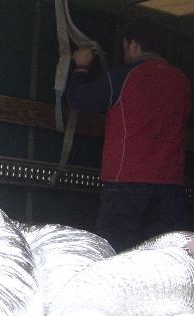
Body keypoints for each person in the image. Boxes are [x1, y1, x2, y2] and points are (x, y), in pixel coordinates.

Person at [66, 19, 192, 252]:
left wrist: (81, 67)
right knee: (168, 258)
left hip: (126, 186)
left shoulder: (123, 77)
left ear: (134, 45)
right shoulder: (183, 82)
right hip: (171, 188)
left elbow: (78, 98)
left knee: (118, 256)